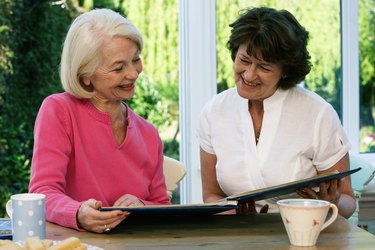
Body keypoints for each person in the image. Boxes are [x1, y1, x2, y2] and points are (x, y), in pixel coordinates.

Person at [196, 6, 356, 218]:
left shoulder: (317, 114)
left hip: (306, 232)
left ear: (285, 70)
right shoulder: (214, 111)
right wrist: (234, 214)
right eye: (244, 60)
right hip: (239, 234)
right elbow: (211, 194)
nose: (250, 75)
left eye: (264, 67)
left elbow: (347, 201)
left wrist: (330, 204)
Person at [29, 8, 170, 233]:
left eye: (136, 60)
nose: (133, 73)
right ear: (85, 75)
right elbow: (43, 192)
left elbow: (163, 206)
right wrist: (78, 213)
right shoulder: (59, 111)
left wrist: (142, 207)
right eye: (118, 67)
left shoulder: (149, 133)